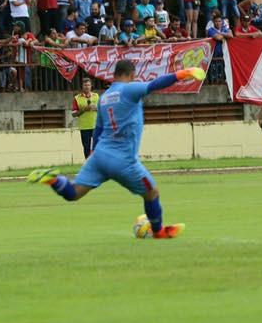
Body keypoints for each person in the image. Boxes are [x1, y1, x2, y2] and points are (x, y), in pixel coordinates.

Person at [26, 59, 206, 239]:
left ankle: (53, 180)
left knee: (73, 193)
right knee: (151, 192)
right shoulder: (129, 89)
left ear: (114, 75)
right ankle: (158, 231)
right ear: (132, 75)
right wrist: (183, 73)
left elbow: (98, 130)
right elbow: (154, 84)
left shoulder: (104, 98)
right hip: (123, 160)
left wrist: (92, 154)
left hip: (100, 156)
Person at [71, 78, 99, 159]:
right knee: (86, 148)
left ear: (91, 86)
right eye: (85, 85)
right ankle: (88, 164)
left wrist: (97, 108)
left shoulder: (96, 96)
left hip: (95, 126)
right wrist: (84, 109)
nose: (87, 87)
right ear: (82, 86)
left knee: (97, 147)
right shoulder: (77, 98)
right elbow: (73, 114)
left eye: (88, 85)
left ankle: (97, 165)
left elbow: (102, 109)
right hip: (84, 127)